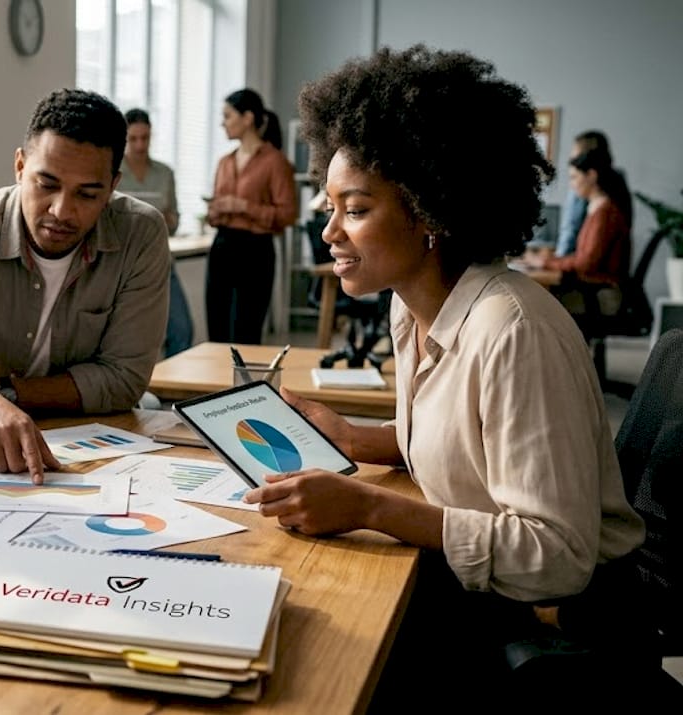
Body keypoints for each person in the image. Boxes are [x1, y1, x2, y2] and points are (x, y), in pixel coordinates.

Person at [249, 46, 652, 706]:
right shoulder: (413, 308)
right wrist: (355, 438)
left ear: (429, 211)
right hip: (482, 589)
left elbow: (557, 554)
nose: (328, 232)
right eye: (330, 207)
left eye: (354, 209)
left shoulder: (510, 328)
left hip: (545, 618)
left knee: (317, 656)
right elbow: (462, 442)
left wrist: (372, 505)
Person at [0, 89, 170, 484]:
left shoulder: (140, 233)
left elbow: (124, 380)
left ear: (112, 187)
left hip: (90, 441)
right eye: (47, 184)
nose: (61, 211)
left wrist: (2, 392)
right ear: (20, 166)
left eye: (87, 194)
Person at [205, 88, 297, 344]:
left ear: (247, 118)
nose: (223, 122)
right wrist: (214, 211)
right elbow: (214, 211)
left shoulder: (275, 162)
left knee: (246, 330)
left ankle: (245, 385)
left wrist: (243, 206)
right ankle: (217, 385)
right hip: (222, 247)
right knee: (217, 329)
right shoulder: (224, 162)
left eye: (227, 115)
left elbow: (288, 214)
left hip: (255, 251)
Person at [119, 108, 193, 357]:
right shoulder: (111, 171)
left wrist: (167, 219)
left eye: (145, 138)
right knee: (127, 338)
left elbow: (174, 221)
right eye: (133, 138)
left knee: (182, 330)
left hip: (160, 259)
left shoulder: (164, 173)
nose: (140, 145)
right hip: (122, 263)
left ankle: (174, 393)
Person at [540, 146, 633, 327]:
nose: (572, 184)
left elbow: (585, 264)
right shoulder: (597, 208)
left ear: (591, 175)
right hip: (592, 287)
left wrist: (546, 262)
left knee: (536, 302)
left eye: (574, 177)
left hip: (598, 292)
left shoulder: (605, 213)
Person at [553, 130, 613, 258]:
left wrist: (553, 261)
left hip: (581, 268)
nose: (571, 159)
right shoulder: (616, 182)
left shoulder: (601, 205)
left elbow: (570, 229)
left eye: (574, 155)